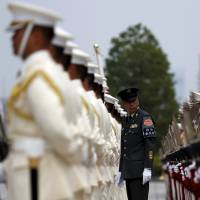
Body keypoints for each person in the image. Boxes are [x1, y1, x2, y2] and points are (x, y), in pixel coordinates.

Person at [6, 2, 78, 199]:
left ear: (35, 35)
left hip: (35, 171)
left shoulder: (38, 76)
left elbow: (56, 130)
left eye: (17, 32)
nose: (12, 38)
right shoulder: (45, 73)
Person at [116, 87, 156, 200]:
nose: (131, 104)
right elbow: (124, 147)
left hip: (140, 173)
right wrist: (121, 170)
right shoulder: (126, 120)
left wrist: (148, 168)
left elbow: (150, 145)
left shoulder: (145, 118)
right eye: (128, 102)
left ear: (137, 100)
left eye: (133, 101)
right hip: (128, 172)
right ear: (124, 103)